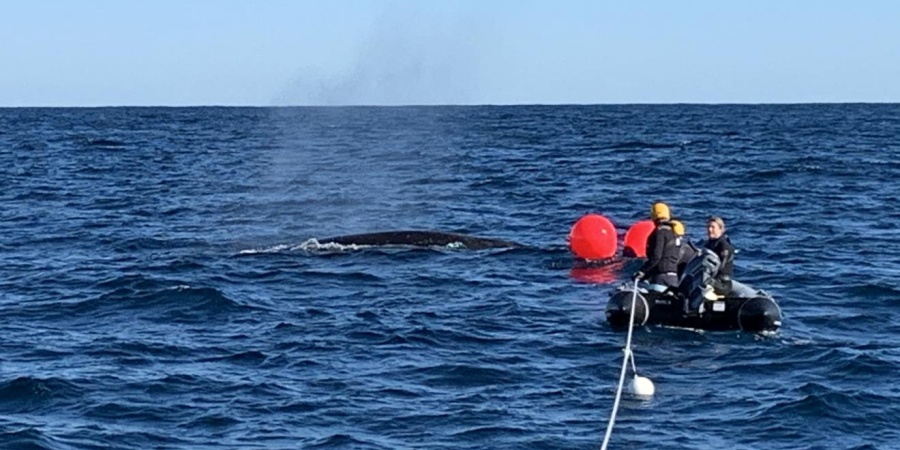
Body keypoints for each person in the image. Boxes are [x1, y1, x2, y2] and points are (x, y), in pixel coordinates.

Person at [632, 202, 680, 287]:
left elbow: (656, 256)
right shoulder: (674, 232)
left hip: (661, 278)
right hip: (673, 277)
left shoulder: (660, 232)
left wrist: (642, 271)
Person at [704, 216, 734, 296]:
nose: (710, 230)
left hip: (722, 284)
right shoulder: (708, 244)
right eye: (708, 227)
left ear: (720, 229)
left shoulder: (724, 246)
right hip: (712, 280)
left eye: (713, 227)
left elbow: (721, 268)